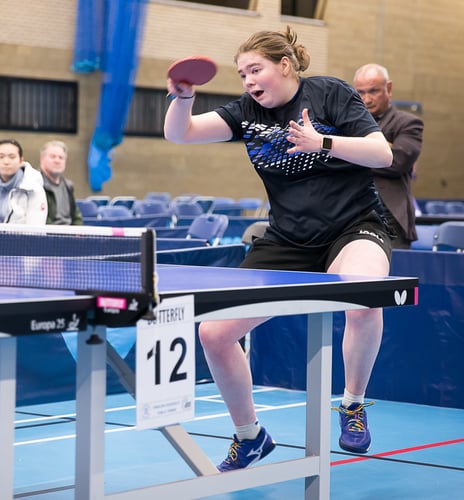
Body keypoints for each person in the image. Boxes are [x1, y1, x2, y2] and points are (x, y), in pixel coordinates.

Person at [164, 26, 393, 471]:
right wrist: (184, 96)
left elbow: (381, 154)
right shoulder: (246, 112)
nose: (248, 81)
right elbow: (182, 134)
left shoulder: (330, 93)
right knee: (213, 333)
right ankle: (250, 436)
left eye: (256, 70)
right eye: (241, 74)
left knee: (365, 294)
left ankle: (352, 404)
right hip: (288, 238)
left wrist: (321, 142)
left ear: (284, 66)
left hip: (353, 225)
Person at [353, 63, 424, 249]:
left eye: (373, 91)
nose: (366, 99)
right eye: (360, 92)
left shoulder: (408, 123)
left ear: (389, 89)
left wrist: (351, 152)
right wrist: (379, 149)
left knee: (393, 275)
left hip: (391, 216)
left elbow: (396, 162)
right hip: (351, 213)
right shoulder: (348, 124)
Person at [0, 138, 47, 224]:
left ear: (21, 161)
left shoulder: (34, 189)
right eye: (1, 157)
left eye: (12, 157)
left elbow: (35, 229)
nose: (6, 162)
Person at [39, 140, 83, 225]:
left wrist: (78, 233)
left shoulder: (68, 186)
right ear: (42, 159)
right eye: (53, 157)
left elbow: (76, 216)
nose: (57, 160)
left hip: (70, 234)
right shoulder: (35, 184)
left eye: (61, 158)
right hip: (48, 235)